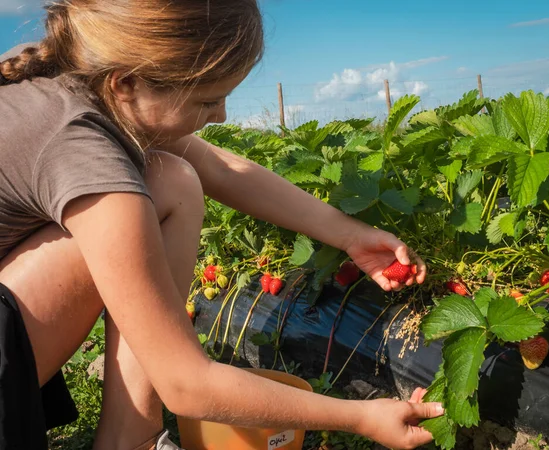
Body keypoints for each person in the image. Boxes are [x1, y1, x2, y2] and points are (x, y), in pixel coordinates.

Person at [0, 1, 444, 449]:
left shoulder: (70, 70)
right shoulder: (79, 147)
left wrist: (350, 235)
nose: (223, 117)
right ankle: (129, 441)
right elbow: (186, 383)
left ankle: (131, 439)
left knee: (172, 179)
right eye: (208, 100)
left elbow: (221, 167)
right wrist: (361, 416)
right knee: (162, 189)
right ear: (127, 83)